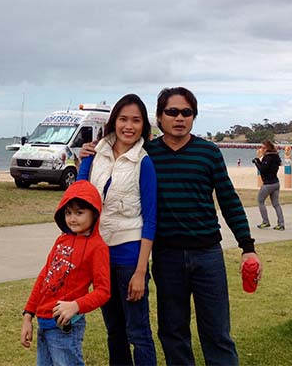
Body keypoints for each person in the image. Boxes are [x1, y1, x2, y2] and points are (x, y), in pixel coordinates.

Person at [82, 87, 260, 366]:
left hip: (207, 255)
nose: (179, 118)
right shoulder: (146, 155)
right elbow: (113, 157)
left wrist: (247, 247)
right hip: (166, 257)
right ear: (159, 117)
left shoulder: (208, 153)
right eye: (172, 112)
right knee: (173, 333)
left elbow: (228, 200)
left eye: (186, 112)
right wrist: (90, 151)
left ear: (194, 117)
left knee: (217, 333)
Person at [77, 94, 157, 366]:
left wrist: (140, 271)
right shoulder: (94, 153)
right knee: (115, 330)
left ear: (143, 125)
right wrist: (82, 160)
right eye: (123, 119)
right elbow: (79, 199)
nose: (129, 126)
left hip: (129, 256)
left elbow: (150, 219)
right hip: (99, 254)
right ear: (114, 122)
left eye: (136, 120)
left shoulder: (143, 162)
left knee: (138, 331)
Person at [21, 180, 111, 366]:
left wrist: (76, 306)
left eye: (79, 213)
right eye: (68, 212)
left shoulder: (97, 247)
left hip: (65, 326)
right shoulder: (61, 241)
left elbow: (103, 291)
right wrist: (28, 315)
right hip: (43, 323)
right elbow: (44, 277)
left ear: (94, 213)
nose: (72, 218)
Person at [252, 140, 285, 231]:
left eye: (262, 147)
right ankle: (281, 224)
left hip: (268, 184)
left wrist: (257, 161)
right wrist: (259, 160)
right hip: (276, 183)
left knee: (260, 201)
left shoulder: (267, 157)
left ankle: (265, 222)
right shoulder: (276, 157)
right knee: (276, 204)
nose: (261, 149)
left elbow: (263, 169)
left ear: (267, 148)